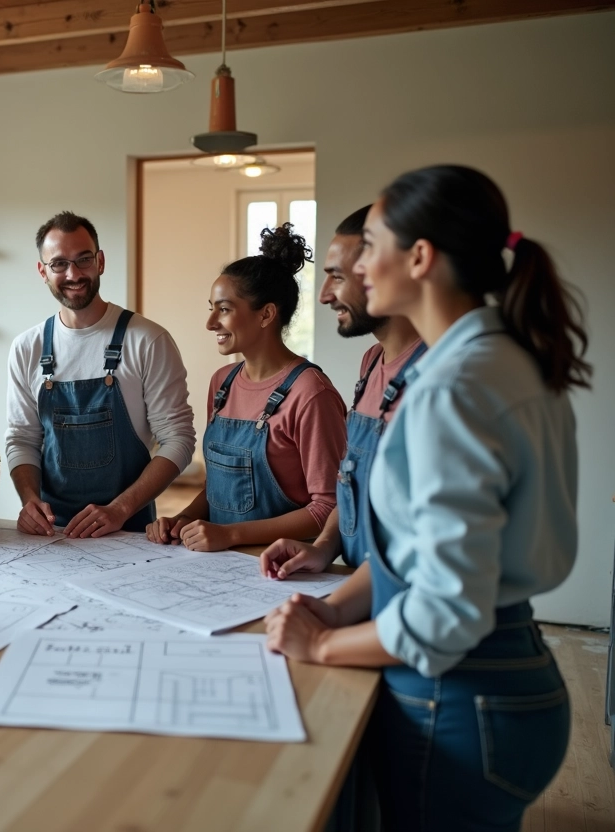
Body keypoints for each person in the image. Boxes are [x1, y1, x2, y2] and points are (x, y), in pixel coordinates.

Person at [265, 165, 588, 832]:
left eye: (371, 244)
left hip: (458, 699)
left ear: (420, 258)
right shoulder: (503, 356)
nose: (358, 265)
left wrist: (323, 647)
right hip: (505, 678)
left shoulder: (450, 390)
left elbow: (444, 615)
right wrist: (331, 609)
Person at [147, 223, 347, 552]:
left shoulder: (311, 393)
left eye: (224, 309)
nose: (211, 323)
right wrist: (182, 519)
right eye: (211, 309)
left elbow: (328, 508)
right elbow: (220, 485)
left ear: (266, 314)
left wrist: (232, 535)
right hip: (217, 563)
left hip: (279, 569)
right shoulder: (222, 382)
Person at [6, 211, 195, 538]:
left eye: (84, 260)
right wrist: (30, 501)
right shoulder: (27, 348)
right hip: (51, 535)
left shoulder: (148, 340)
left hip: (131, 530)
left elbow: (179, 439)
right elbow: (22, 439)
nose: (73, 273)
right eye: (59, 264)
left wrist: (120, 509)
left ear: (101, 261)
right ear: (42, 271)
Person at [260, 206, 424, 575]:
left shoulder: (437, 376)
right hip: (358, 583)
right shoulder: (370, 362)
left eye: (337, 277)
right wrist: (321, 549)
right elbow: (349, 483)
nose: (323, 296)